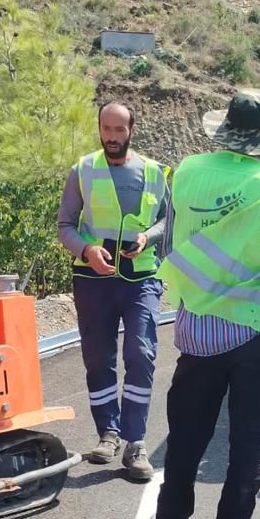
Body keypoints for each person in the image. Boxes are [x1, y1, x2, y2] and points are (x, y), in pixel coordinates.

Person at [145, 89, 260, 519]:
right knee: (249, 442)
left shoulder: (188, 172)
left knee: (187, 434)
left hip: (196, 329)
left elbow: (171, 241)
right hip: (257, 336)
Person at [58, 102, 168, 483]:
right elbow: (65, 226)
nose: (112, 137)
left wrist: (147, 236)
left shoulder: (154, 172)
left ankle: (135, 443)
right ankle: (108, 434)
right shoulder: (83, 170)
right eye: (106, 128)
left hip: (141, 279)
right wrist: (87, 250)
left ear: (132, 130)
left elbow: (167, 221)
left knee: (141, 353)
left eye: (119, 130)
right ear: (99, 128)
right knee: (97, 359)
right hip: (93, 280)